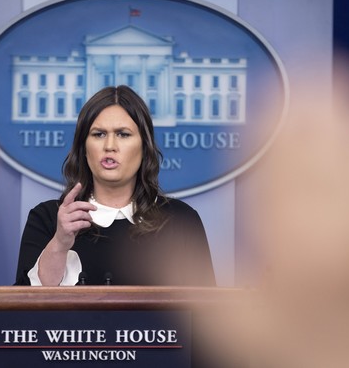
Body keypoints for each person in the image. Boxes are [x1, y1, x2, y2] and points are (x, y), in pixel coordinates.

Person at [15, 85, 216, 286]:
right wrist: (59, 243)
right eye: (99, 134)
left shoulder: (181, 221)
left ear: (145, 148)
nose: (109, 145)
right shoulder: (48, 218)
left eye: (123, 134)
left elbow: (206, 313)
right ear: (83, 148)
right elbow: (23, 308)